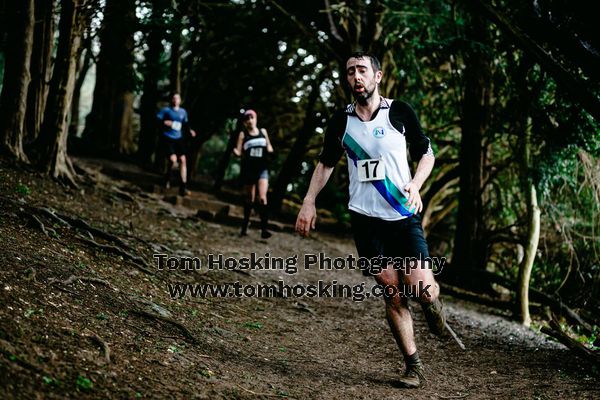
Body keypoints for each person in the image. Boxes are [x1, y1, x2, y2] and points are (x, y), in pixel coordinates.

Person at [295, 52, 447, 388]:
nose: (356, 77)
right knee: (391, 292)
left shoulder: (399, 111)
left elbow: (426, 152)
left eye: (362, 70)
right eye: (350, 72)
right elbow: (326, 163)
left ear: (377, 76)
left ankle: (432, 302)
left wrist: (416, 184)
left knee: (421, 288)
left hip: (402, 214)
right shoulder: (341, 122)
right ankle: (413, 365)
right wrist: (308, 201)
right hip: (366, 220)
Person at [233, 109, 274, 238]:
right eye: (247, 119)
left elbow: (269, 147)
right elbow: (239, 152)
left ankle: (264, 229)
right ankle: (245, 225)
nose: (250, 120)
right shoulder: (243, 134)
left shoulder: (263, 132)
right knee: (249, 198)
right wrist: (236, 152)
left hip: (262, 168)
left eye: (252, 117)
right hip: (249, 169)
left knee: (262, 198)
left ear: (255, 119)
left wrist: (270, 151)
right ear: (245, 122)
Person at [157, 93, 196, 196]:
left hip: (178, 139)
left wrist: (190, 131)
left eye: (177, 98)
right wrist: (165, 123)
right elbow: (158, 120)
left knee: (183, 160)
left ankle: (183, 186)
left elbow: (185, 124)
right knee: (173, 160)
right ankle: (167, 179)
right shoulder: (166, 110)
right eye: (173, 98)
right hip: (167, 138)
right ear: (171, 100)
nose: (175, 100)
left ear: (180, 100)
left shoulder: (183, 112)